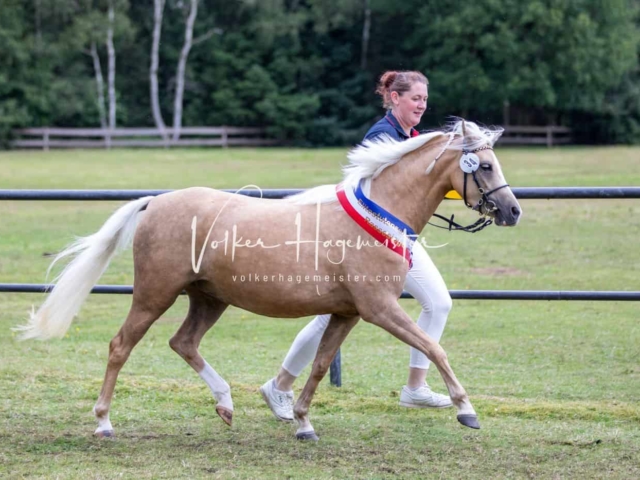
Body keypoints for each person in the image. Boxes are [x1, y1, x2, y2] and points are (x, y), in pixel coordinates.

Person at [260, 71, 454, 421]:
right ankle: (280, 386)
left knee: (438, 303)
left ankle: (415, 388)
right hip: (369, 243)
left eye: (425, 99)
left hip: (397, 240)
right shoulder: (383, 137)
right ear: (395, 99)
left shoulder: (412, 137)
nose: (422, 105)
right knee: (329, 319)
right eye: (416, 98)